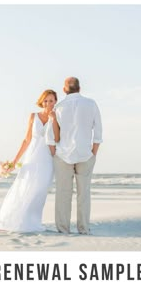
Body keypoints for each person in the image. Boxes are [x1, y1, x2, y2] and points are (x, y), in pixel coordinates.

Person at [0, 89, 59, 232]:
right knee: (23, 187)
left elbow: (58, 139)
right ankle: (14, 219)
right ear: (41, 101)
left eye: (51, 100)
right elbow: (27, 140)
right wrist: (14, 161)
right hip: (31, 157)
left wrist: (53, 119)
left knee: (39, 191)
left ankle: (31, 222)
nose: (48, 103)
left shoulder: (58, 116)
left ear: (56, 102)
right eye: (45, 100)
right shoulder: (33, 116)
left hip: (47, 159)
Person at [46, 77, 103, 234]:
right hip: (86, 155)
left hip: (63, 156)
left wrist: (54, 155)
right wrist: (93, 153)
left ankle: (63, 229)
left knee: (63, 194)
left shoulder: (59, 107)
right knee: (84, 194)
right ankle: (83, 229)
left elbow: (51, 137)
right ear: (79, 88)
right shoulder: (91, 104)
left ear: (65, 90)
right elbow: (98, 132)